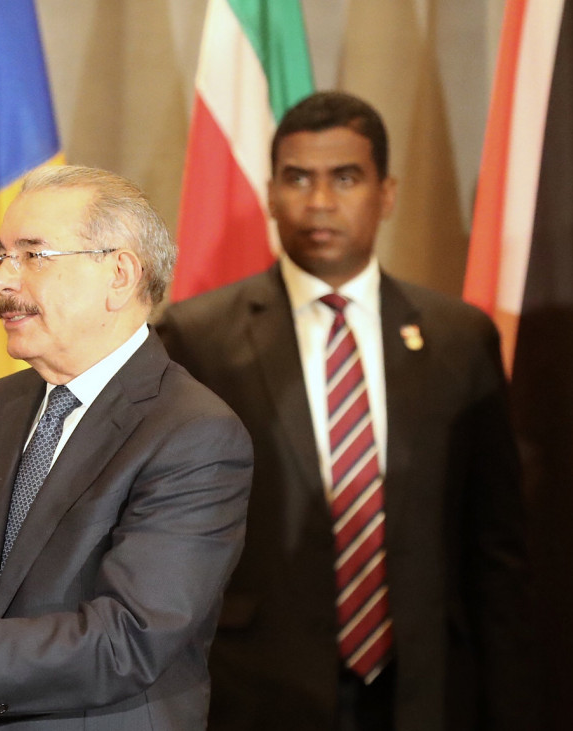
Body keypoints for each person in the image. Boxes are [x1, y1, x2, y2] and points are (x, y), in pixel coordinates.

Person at [156, 91, 533, 731]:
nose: (320, 201)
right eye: (298, 178)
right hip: (255, 691)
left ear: (386, 193)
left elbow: (495, 551)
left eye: (346, 178)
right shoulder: (197, 339)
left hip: (426, 688)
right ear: (271, 194)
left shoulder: (459, 338)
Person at [0, 165, 254, 730]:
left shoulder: (194, 433)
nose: (3, 281)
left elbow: (128, 639)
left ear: (120, 273)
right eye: (0, 258)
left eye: (33, 256)